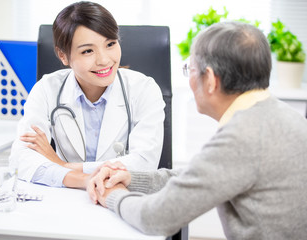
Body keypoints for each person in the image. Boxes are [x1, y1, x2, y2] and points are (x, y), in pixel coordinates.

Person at [87, 21, 307, 239]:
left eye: (189, 69)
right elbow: (201, 175)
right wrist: (131, 178)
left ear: (210, 79)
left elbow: (155, 218)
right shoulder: (281, 117)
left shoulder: (242, 138)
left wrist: (113, 196)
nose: (190, 77)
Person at [9, 1, 165, 189]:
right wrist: (82, 179)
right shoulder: (46, 89)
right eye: (88, 51)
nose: (104, 60)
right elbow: (21, 159)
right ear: (63, 55)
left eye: (110, 44)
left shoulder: (144, 89)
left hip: (122, 197)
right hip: (65, 199)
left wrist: (62, 165)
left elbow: (144, 164)